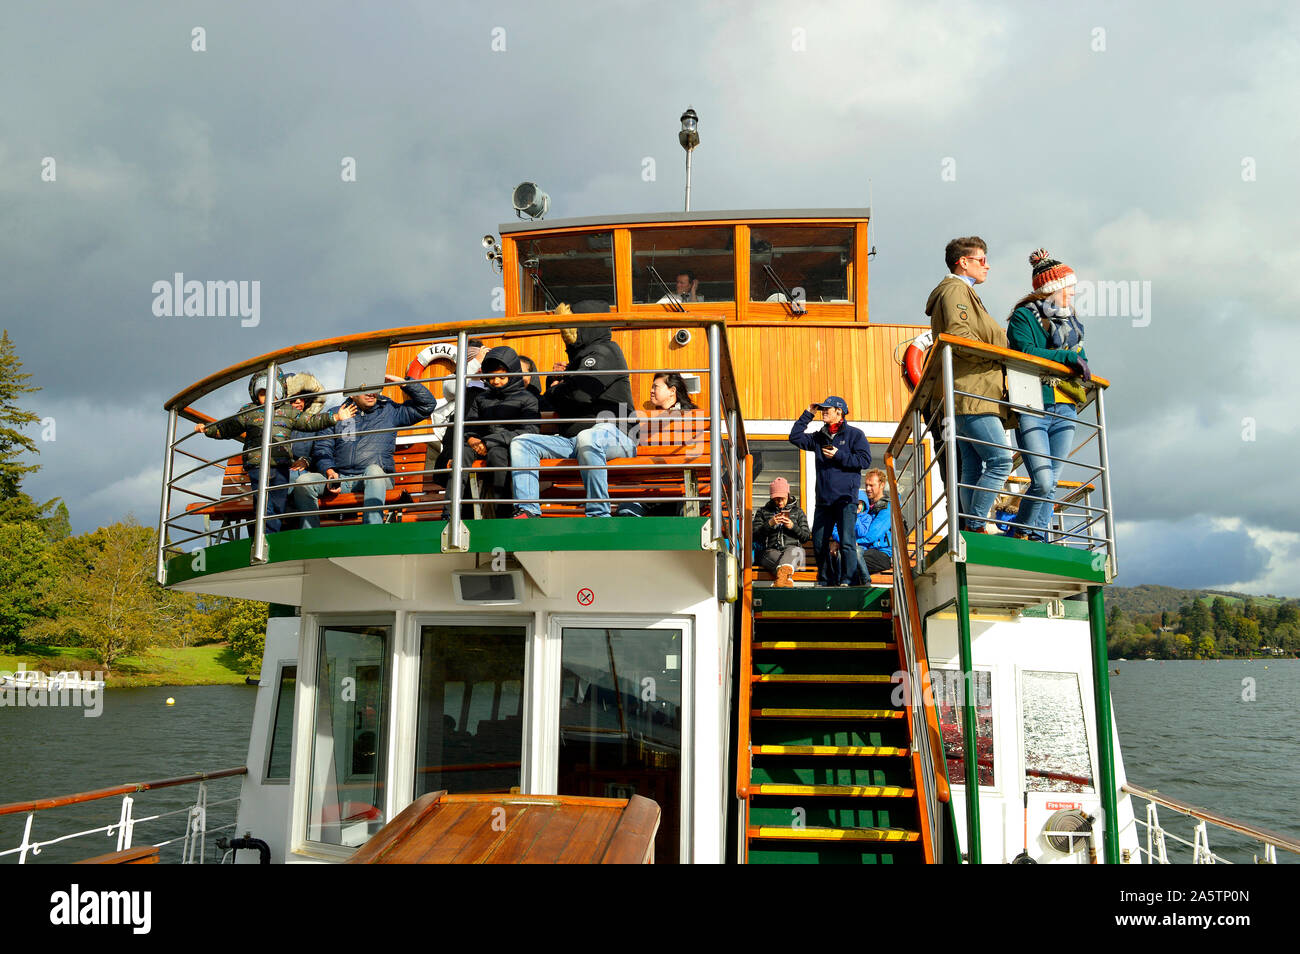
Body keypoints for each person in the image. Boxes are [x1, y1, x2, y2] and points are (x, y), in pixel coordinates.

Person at [509, 301, 635, 517]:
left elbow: (580, 393)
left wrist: (561, 387)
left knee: (589, 437)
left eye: (572, 326)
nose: (568, 333)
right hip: (574, 440)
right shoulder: (577, 362)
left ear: (586, 324)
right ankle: (528, 510)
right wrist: (559, 385)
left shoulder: (606, 351)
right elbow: (549, 401)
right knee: (522, 442)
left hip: (618, 435)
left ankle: (598, 514)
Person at [924, 236, 1015, 533]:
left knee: (973, 467)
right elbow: (960, 335)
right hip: (972, 392)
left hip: (966, 393)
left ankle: (969, 525)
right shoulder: (955, 291)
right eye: (981, 259)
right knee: (1001, 460)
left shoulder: (963, 292)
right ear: (963, 262)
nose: (987, 265)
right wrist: (997, 356)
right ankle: (975, 524)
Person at [196, 372, 354, 533]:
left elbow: (316, 435)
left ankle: (281, 535)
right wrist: (208, 429)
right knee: (263, 502)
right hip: (261, 465)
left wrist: (334, 418)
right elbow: (229, 427)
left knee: (280, 499)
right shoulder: (252, 412)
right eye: (293, 398)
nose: (298, 401)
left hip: (287, 469)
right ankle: (265, 537)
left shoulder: (295, 417)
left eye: (302, 397)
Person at [1006, 249, 1092, 542]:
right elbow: (1025, 352)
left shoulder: (1072, 322)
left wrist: (1080, 362)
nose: (1073, 292)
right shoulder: (1022, 317)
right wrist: (1066, 358)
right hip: (1032, 403)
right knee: (1042, 481)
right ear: (1051, 288)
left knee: (1052, 482)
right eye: (1068, 286)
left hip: (1066, 407)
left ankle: (1037, 537)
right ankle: (1021, 530)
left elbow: (1080, 354)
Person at [291, 373, 436, 527]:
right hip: (341, 480)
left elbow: (426, 406)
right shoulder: (337, 414)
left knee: (374, 471)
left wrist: (405, 384)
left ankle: (372, 531)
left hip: (377, 480)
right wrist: (329, 471)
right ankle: (310, 536)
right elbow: (322, 448)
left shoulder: (390, 411)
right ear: (352, 394)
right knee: (303, 482)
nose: (371, 393)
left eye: (375, 388)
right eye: (365, 389)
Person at [446, 345, 539, 515]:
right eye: (492, 377)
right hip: (481, 445)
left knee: (497, 455)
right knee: (461, 454)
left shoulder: (527, 399)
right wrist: (471, 438)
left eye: (502, 376)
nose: (496, 381)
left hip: (507, 446)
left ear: (512, 373)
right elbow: (471, 425)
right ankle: (450, 511)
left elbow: (530, 430)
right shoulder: (482, 398)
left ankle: (502, 513)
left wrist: (489, 442)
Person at [789, 395, 872, 586]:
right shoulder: (819, 437)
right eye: (822, 409)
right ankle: (826, 579)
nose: (823, 412)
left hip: (845, 500)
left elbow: (864, 461)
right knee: (818, 543)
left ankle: (847, 580)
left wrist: (839, 455)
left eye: (828, 409)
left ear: (839, 412)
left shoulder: (855, 435)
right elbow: (794, 437)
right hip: (824, 502)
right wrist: (808, 414)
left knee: (847, 543)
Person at [752, 477, 810, 587]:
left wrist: (792, 526)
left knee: (793, 550)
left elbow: (805, 537)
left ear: (788, 495)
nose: (779, 502)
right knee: (772, 555)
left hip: (795, 552)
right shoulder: (763, 512)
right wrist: (769, 524)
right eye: (776, 499)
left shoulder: (798, 512)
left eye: (782, 498)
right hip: (769, 552)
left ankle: (781, 580)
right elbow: (755, 536)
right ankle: (786, 579)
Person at [854, 469, 893, 581]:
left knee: (850, 559)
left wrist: (854, 542)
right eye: (866, 485)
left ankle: (864, 589)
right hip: (867, 550)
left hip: (882, 554)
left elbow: (873, 534)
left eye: (872, 485)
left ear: (882, 485)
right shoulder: (866, 508)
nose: (867, 489)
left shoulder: (887, 507)